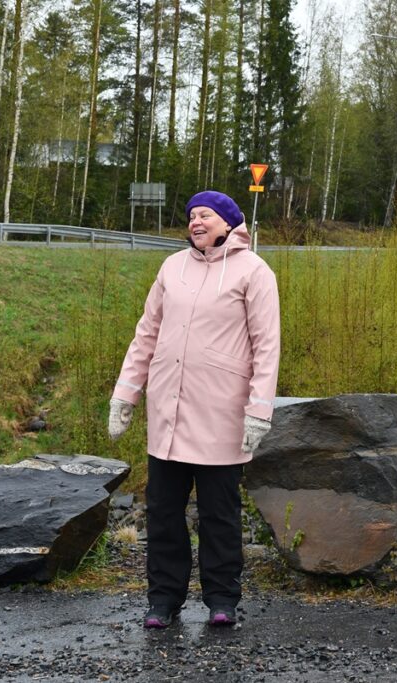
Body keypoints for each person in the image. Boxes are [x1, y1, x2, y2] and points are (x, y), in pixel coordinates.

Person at [108, 190, 280, 628]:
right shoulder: (172, 268)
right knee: (164, 513)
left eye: (205, 215)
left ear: (228, 222)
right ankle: (163, 600)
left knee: (218, 515)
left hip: (221, 416)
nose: (196, 222)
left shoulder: (254, 272)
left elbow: (266, 347)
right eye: (191, 216)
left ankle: (222, 599)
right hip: (168, 414)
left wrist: (259, 411)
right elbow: (145, 334)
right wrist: (125, 394)